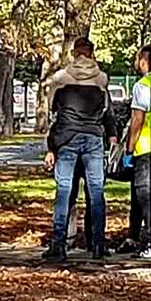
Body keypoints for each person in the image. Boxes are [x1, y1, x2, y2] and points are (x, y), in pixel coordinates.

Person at [43, 37, 117, 260]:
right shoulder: (101, 79)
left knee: (64, 191)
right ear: (92, 53)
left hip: (67, 137)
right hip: (93, 137)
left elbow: (53, 112)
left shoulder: (61, 79)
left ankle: (59, 244)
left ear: (74, 53)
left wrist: (51, 146)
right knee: (96, 192)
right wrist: (112, 136)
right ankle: (97, 245)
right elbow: (107, 111)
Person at [126, 45, 151, 262]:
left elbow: (138, 119)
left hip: (146, 147)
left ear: (143, 62)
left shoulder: (143, 85)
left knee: (146, 198)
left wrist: (130, 148)